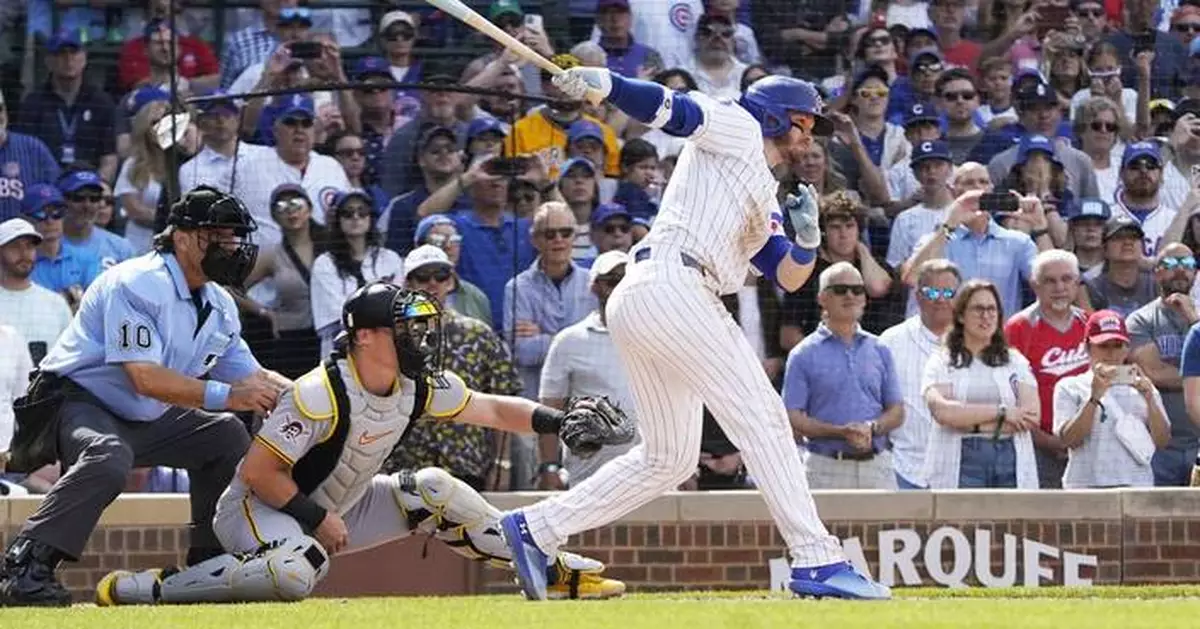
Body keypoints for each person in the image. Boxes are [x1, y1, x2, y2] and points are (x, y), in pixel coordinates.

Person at [497, 64, 891, 599]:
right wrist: (607, 83)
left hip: (657, 295)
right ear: (777, 115)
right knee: (765, 418)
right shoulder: (740, 123)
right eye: (803, 122)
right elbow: (670, 107)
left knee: (669, 458)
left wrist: (806, 236)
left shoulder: (760, 182)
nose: (809, 136)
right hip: (674, 284)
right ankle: (817, 559)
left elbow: (788, 273)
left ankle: (536, 528)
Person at [95, 283, 628, 604]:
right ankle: (153, 589)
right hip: (256, 511)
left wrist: (557, 422)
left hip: (343, 505)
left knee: (435, 489)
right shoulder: (316, 394)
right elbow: (258, 474)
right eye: (404, 329)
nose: (418, 339)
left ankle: (548, 568)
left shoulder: (412, 386)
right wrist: (315, 518)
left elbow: (488, 407)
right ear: (367, 337)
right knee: (295, 570)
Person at [0, 186, 288, 607]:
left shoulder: (219, 303)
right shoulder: (135, 281)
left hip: (143, 414)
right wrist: (230, 395)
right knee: (108, 456)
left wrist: (318, 396)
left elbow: (254, 376)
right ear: (182, 238)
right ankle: (25, 565)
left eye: (234, 237)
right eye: (218, 236)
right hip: (75, 401)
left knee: (224, 436)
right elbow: (144, 377)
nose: (230, 247)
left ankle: (208, 560)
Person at [922, 280, 1042, 489]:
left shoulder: (1016, 361)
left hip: (1010, 457)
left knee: (1011, 521)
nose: (986, 316)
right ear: (960, 315)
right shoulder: (942, 360)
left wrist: (970, 422)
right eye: (978, 309)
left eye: (991, 309)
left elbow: (1032, 416)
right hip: (961, 459)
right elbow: (943, 413)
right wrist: (1002, 413)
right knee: (961, 522)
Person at [1054, 310, 1169, 488]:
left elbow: (1162, 441)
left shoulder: (1143, 386)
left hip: (1136, 485)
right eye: (1103, 346)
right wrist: (1094, 398)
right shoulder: (1069, 386)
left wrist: (1150, 400)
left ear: (1127, 348)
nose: (1111, 353)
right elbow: (1068, 440)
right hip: (1086, 486)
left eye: (1117, 345)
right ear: (1087, 347)